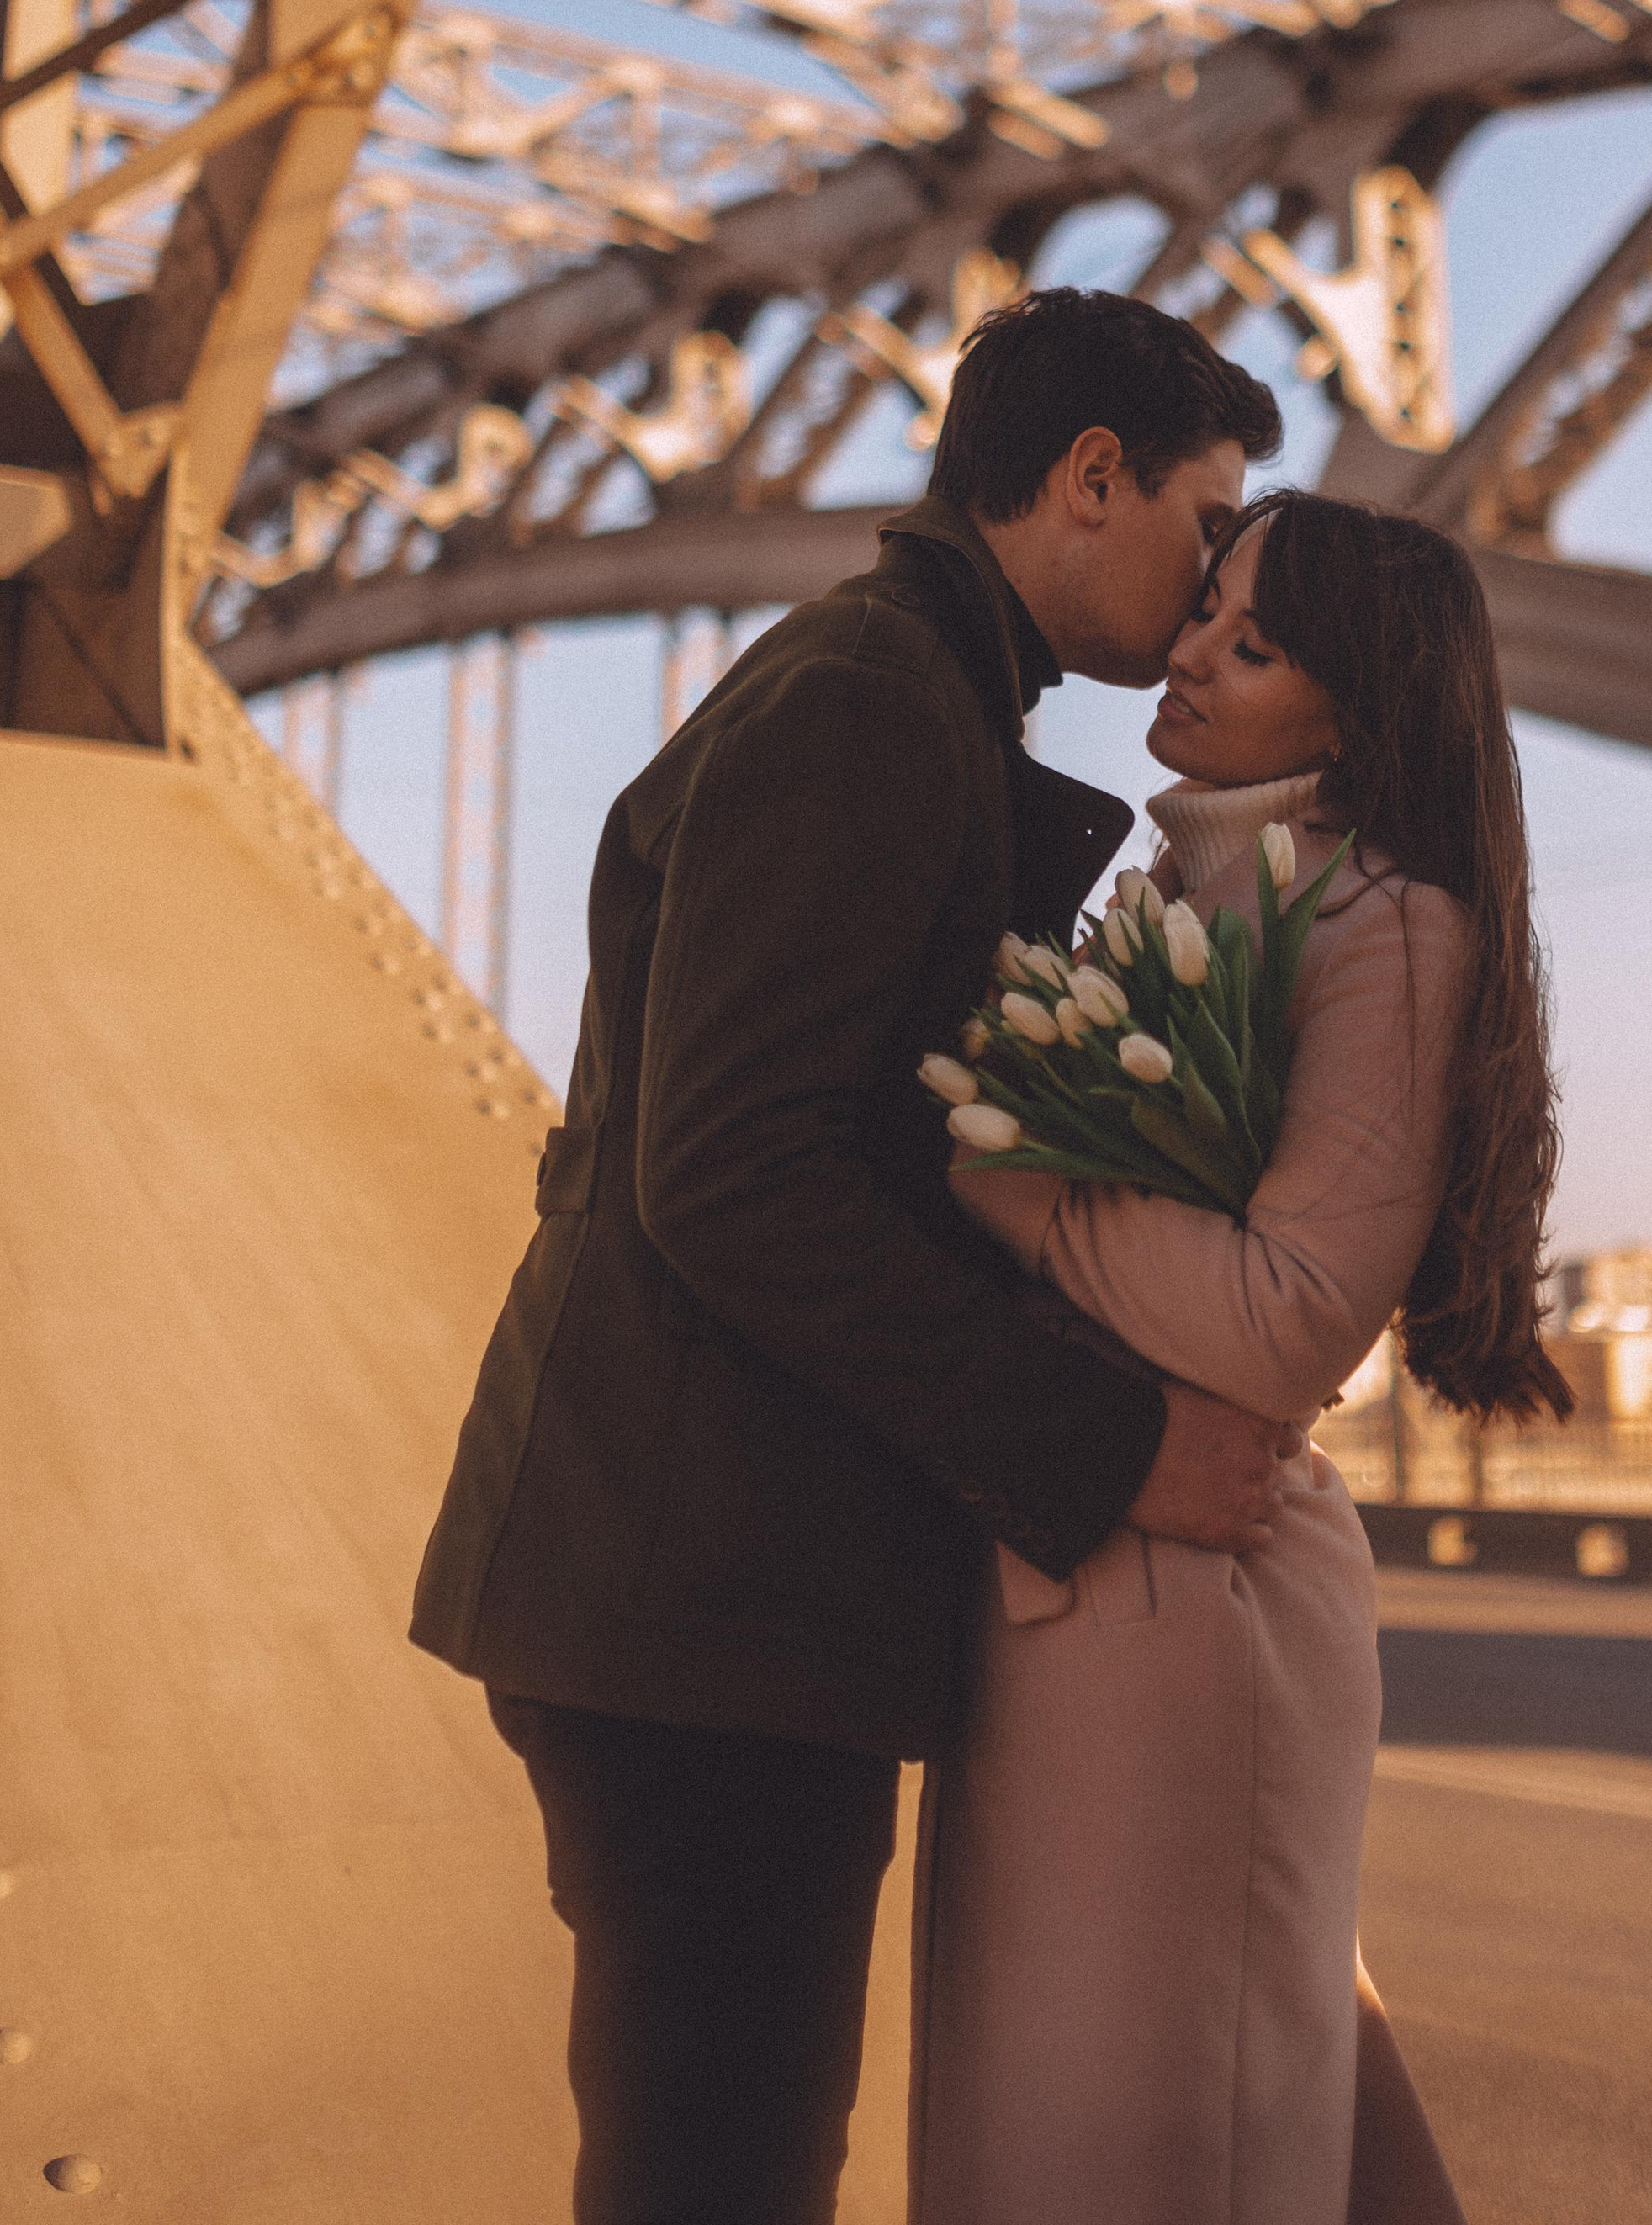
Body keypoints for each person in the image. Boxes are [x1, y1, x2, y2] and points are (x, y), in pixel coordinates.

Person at [410, 288, 1291, 2225]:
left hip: (701, 1580)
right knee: (718, 2174)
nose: (1222, 571)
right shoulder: (873, 701)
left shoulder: (900, 686)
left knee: (710, 2160)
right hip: (703, 1597)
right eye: (1207, 519)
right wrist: (1106, 1443)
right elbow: (733, 1175)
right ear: (1086, 479)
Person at [921, 488, 1574, 2225]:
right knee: (1134, 2127)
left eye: (1254, 642)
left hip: (1186, 1614)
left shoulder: (1386, 926)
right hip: (1066, 1583)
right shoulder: (1181, 887)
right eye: (1206, 607)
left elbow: (1286, 1326)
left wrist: (1003, 1176)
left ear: (1351, 714)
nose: (1190, 648)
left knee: (1143, 2149)